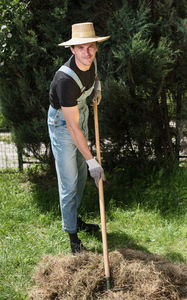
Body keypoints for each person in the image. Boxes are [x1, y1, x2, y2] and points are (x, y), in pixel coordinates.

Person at [47, 22, 110, 253]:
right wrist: (93, 161)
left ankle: (75, 219)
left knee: (81, 175)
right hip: (63, 124)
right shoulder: (65, 80)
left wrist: (97, 88)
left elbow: (94, 76)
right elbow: (73, 128)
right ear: (72, 50)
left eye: (91, 46)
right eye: (81, 48)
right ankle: (73, 237)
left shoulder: (90, 61)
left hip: (79, 113)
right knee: (70, 180)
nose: (88, 52)